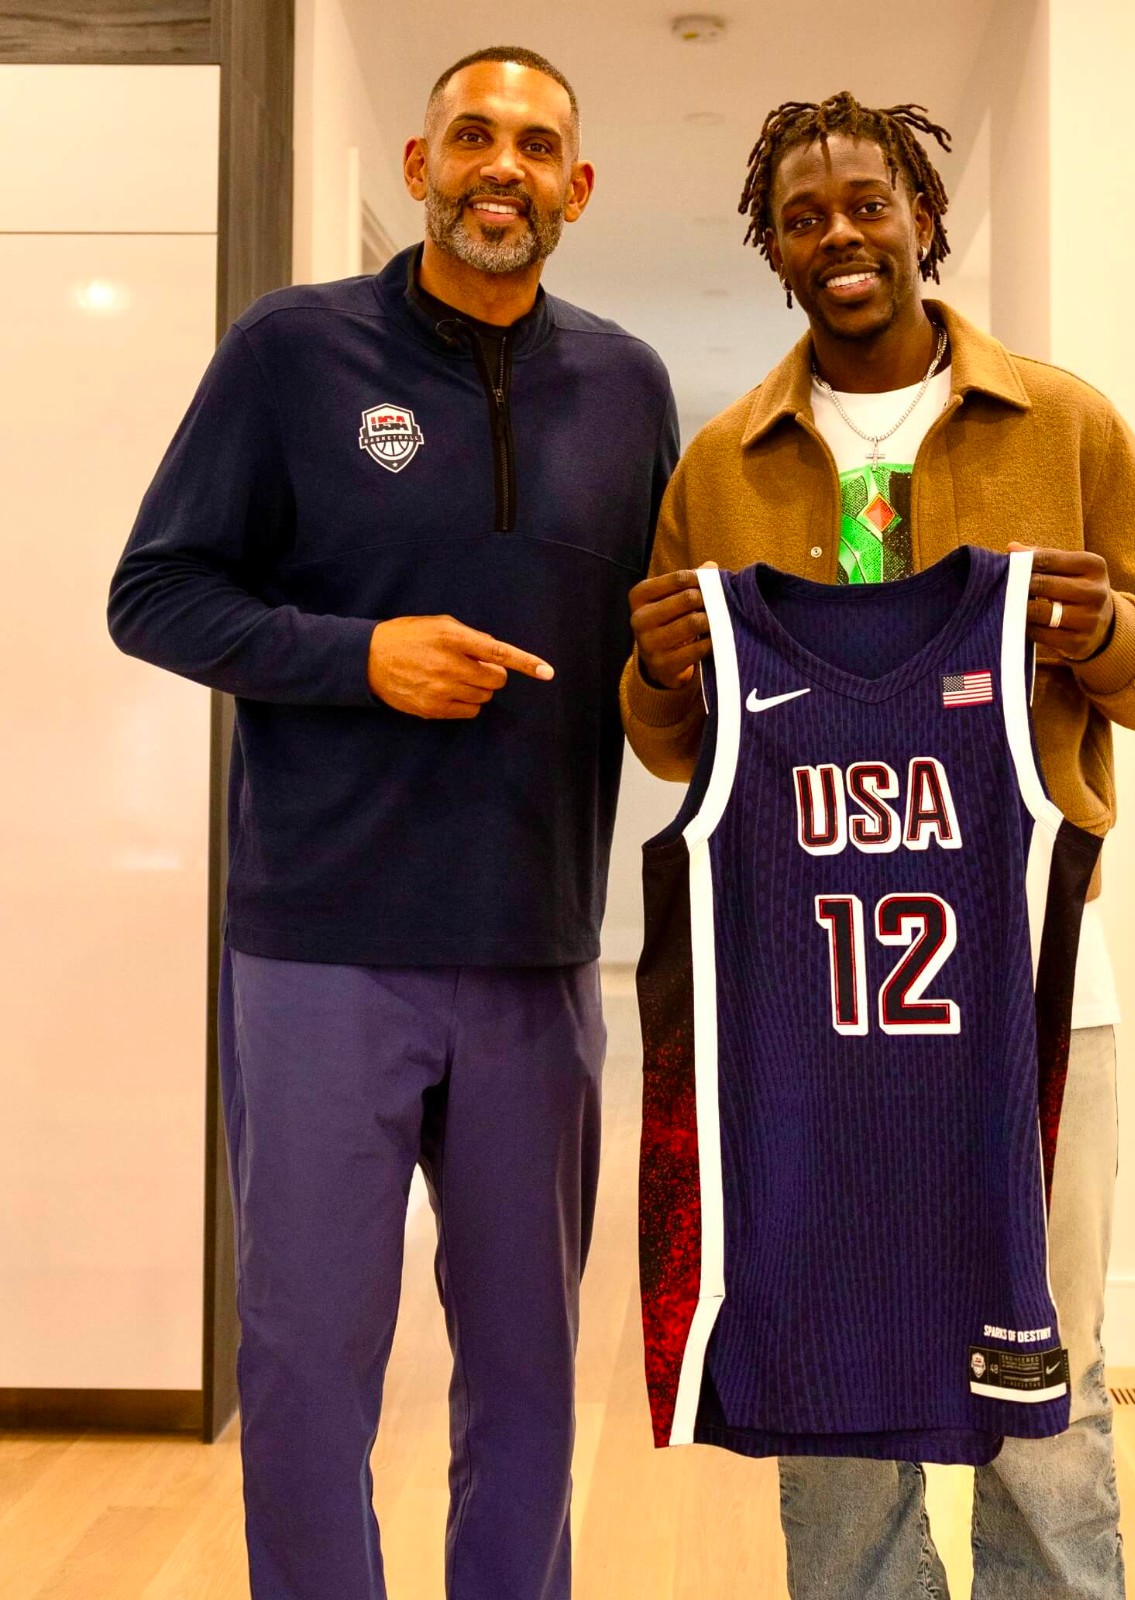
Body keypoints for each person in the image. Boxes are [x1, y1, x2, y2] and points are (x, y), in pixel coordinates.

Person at [621, 91, 1135, 1600]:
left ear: (922, 217)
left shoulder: (1065, 423)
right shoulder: (721, 465)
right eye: (803, 218)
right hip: (806, 1005)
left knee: (1045, 1377)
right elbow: (677, 746)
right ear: (773, 248)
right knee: (826, 1368)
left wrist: (1109, 630)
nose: (840, 236)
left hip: (1034, 991)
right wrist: (659, 673)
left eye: (866, 204)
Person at [109, 45, 677, 1600]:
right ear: (421, 166)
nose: (504, 165)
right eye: (473, 135)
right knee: (305, 1378)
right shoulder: (292, 353)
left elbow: (661, 649)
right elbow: (154, 595)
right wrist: (360, 657)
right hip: (320, 954)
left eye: (537, 145)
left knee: (530, 1383)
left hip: (538, 958)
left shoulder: (629, 388)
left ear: (576, 187)